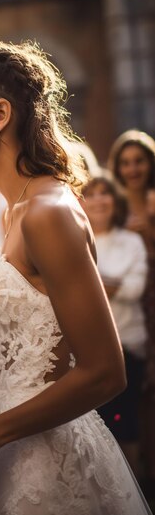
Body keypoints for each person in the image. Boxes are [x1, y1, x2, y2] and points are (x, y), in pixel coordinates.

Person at [0, 40, 155, 515]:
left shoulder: (49, 213)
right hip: (14, 449)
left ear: (0, 114)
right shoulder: (17, 211)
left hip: (44, 458)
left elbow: (105, 371)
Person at [82, 175, 148, 477]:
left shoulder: (131, 241)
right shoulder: (78, 239)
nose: (98, 200)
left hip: (128, 344)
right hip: (87, 349)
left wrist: (88, 280)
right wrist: (112, 283)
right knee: (94, 425)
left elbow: (133, 290)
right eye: (91, 194)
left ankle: (136, 495)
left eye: (104, 193)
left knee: (126, 422)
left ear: (115, 199)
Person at [109, 129, 155, 496]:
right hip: (135, 307)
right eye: (125, 162)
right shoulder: (116, 206)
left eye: (139, 161)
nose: (133, 168)